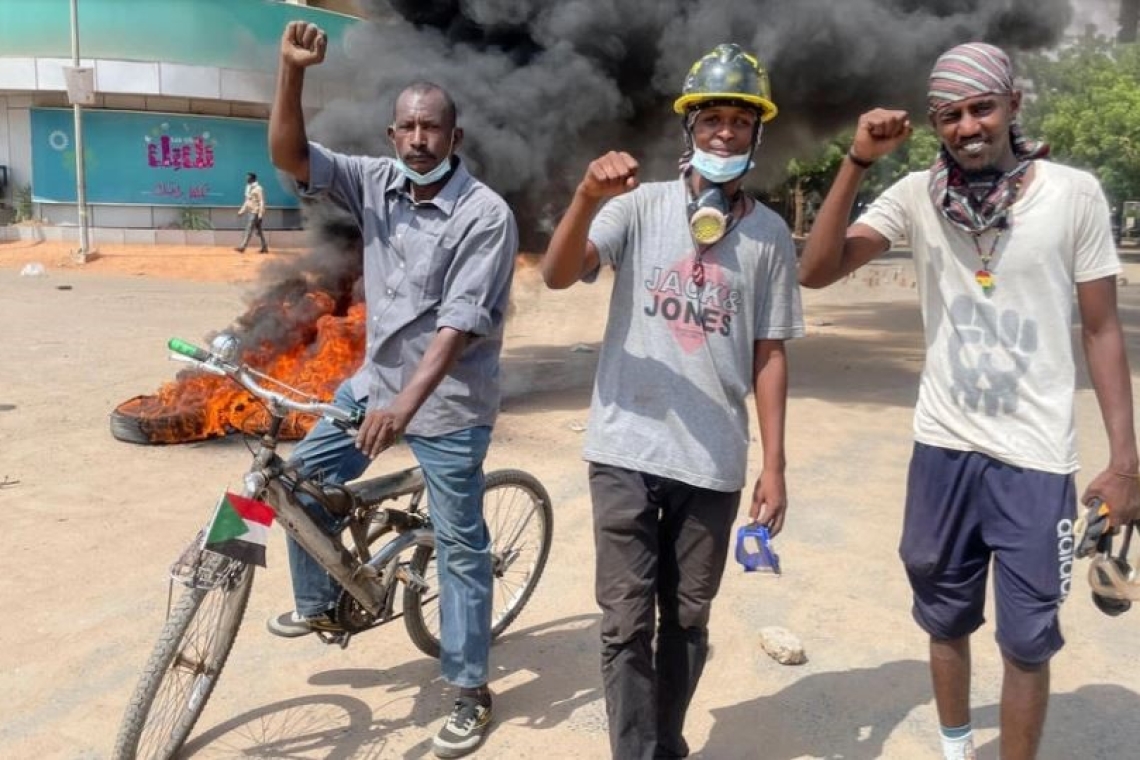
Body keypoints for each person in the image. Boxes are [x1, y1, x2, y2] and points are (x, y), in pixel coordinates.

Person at [798, 42, 1140, 760]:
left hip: (1035, 458)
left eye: (981, 107)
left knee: (1025, 642)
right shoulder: (915, 197)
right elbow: (817, 270)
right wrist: (857, 161)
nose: (967, 126)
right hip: (943, 448)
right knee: (945, 621)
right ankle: (956, 752)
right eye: (949, 116)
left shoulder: (1072, 193)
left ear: (1013, 104)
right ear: (934, 124)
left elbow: (1102, 329)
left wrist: (1126, 462)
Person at [541, 43, 803, 759]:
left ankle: (665, 742)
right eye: (711, 119)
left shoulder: (771, 235)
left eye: (739, 122)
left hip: (713, 461)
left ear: (756, 134)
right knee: (625, 623)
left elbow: (770, 352)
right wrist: (587, 196)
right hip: (625, 449)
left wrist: (774, 465)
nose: (724, 133)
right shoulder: (639, 206)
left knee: (687, 619)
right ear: (689, 128)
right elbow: (561, 275)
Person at [265, 20, 518, 759]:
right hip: (373, 385)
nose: (417, 138)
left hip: (449, 405)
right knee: (298, 480)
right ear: (391, 133)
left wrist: (403, 410)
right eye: (406, 126)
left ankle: (469, 690)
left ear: (454, 135)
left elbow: (459, 326)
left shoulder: (485, 215)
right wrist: (292, 73)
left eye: (430, 127)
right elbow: (291, 157)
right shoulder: (377, 181)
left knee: (462, 549)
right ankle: (324, 607)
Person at [236, 171, 269, 253]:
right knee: (259, 231)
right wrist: (242, 211)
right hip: (250, 211)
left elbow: (262, 201)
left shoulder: (259, 188)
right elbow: (247, 201)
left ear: (253, 179)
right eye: (246, 177)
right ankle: (264, 247)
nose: (246, 179)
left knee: (249, 229)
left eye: (248, 177)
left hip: (255, 212)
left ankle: (242, 247)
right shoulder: (248, 187)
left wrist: (261, 214)